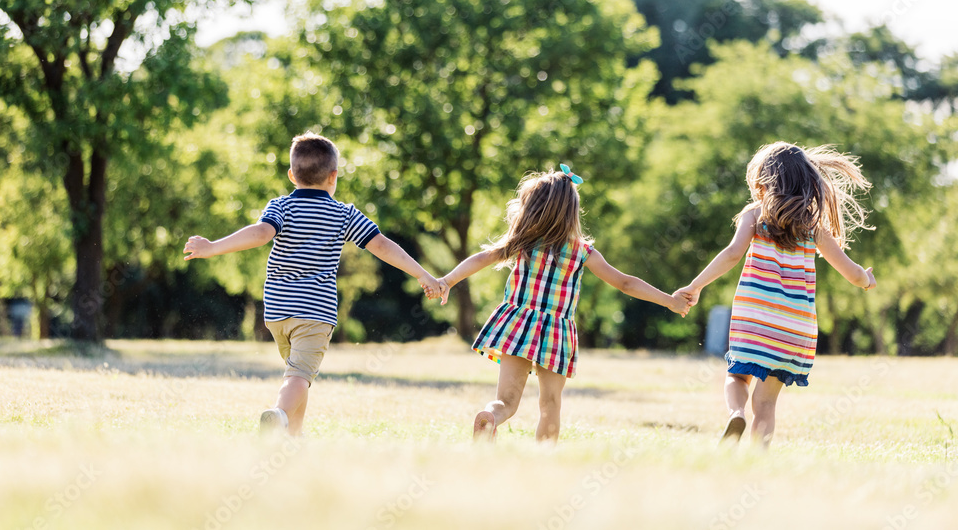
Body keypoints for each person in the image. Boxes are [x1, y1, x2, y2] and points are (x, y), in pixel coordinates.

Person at [184, 132, 443, 436]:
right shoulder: (343, 213)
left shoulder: (280, 207)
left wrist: (213, 246)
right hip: (315, 313)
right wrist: (422, 274)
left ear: (292, 175)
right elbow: (382, 245)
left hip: (278, 313)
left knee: (298, 375)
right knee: (299, 376)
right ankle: (278, 414)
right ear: (333, 176)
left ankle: (294, 437)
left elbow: (259, 234)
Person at [436, 164, 690, 443]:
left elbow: (482, 258)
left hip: (517, 323)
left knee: (506, 400)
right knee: (550, 404)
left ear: (530, 208)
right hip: (556, 332)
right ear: (572, 212)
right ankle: (544, 457)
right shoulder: (582, 252)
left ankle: (491, 416)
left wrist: (447, 280)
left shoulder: (521, 242)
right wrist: (669, 301)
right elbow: (625, 283)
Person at [676, 142, 876, 448]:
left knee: (737, 377)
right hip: (794, 326)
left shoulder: (755, 214)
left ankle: (736, 413)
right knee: (767, 403)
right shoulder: (814, 225)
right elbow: (850, 271)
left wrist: (696, 285)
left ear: (762, 183)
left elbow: (731, 255)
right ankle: (759, 457)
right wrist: (866, 280)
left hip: (754, 319)